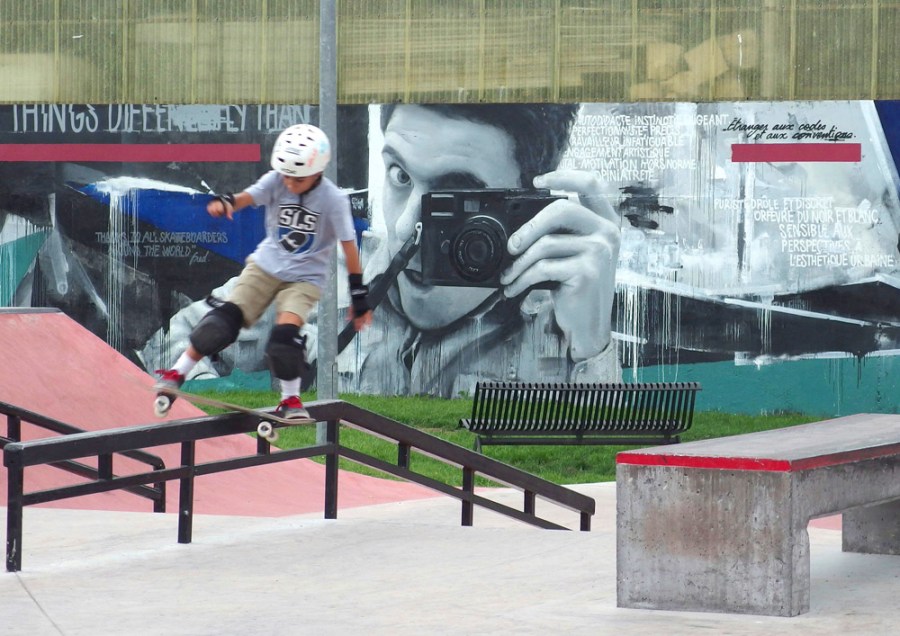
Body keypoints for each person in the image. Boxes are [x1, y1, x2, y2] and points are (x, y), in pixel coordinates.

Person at [345, 104, 622, 396]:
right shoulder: (327, 289)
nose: (404, 228)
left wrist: (590, 351)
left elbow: (597, 443)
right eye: (400, 175)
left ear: (527, 208)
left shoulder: (562, 324)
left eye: (452, 199)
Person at [155, 123, 372, 418]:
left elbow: (348, 245)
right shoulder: (277, 180)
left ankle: (290, 400)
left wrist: (359, 297)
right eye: (286, 175)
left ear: (316, 171)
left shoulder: (333, 200)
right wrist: (228, 203)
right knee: (220, 323)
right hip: (266, 267)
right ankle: (177, 373)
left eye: (297, 178)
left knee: (284, 341)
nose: (290, 183)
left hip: (305, 280)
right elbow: (250, 196)